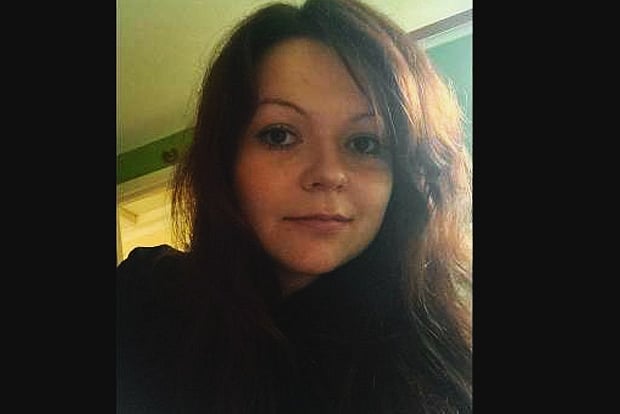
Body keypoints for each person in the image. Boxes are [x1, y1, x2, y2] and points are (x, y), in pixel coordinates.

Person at [116, 0, 472, 412]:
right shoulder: (145, 298)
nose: (327, 173)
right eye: (280, 136)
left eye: (364, 143)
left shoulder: (442, 368)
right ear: (226, 159)